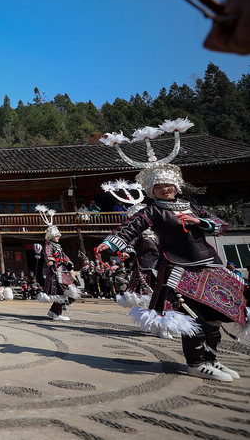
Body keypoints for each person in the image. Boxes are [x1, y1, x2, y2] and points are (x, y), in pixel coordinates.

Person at [95, 162, 244, 382]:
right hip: (178, 268)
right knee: (192, 320)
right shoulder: (153, 210)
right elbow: (131, 227)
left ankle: (210, 359)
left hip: (207, 265)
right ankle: (196, 363)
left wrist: (199, 221)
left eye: (168, 185)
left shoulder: (191, 206)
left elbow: (220, 224)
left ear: (176, 186)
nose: (165, 189)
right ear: (152, 191)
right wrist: (111, 243)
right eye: (159, 186)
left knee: (214, 319)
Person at [34, 205, 80, 321]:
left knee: (63, 292)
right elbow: (48, 253)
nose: (59, 237)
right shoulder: (49, 245)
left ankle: (53, 312)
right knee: (61, 292)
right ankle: (57, 313)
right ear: (51, 236)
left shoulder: (58, 246)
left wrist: (70, 264)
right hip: (55, 272)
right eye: (56, 235)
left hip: (61, 271)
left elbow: (65, 257)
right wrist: (50, 260)